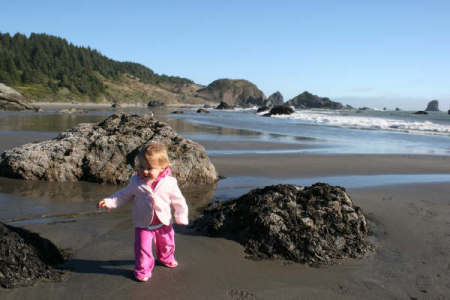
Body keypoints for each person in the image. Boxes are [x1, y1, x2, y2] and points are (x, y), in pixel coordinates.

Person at [97, 142, 188, 282]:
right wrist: (109, 201)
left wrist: (180, 216)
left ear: (163, 168)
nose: (144, 171)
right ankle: (142, 270)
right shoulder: (136, 182)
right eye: (141, 167)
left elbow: (179, 200)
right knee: (143, 249)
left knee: (167, 243)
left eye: (150, 168)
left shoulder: (169, 182)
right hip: (143, 223)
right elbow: (123, 195)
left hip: (163, 222)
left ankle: (166, 258)